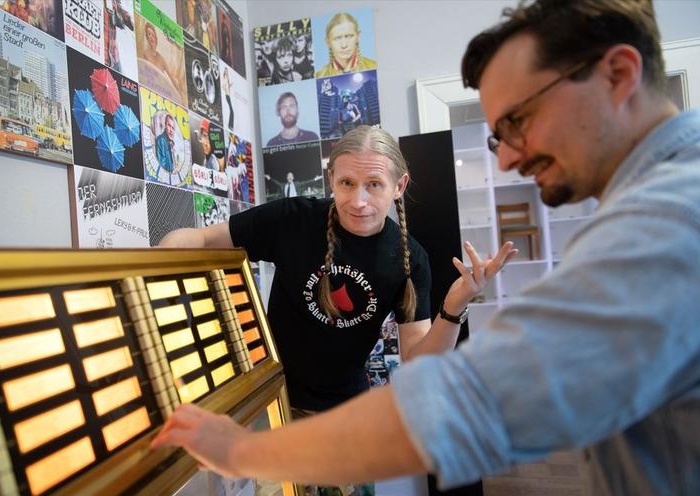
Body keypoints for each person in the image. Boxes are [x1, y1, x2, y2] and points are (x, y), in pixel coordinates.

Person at [152, 1, 700, 494]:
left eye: (519, 120)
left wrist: (238, 452)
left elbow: (467, 404)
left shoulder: (668, 219)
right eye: (346, 184)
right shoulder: (662, 199)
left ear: (620, 75)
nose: (506, 159)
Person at [157, 125, 515, 494]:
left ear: (399, 186)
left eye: (374, 184)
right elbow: (200, 240)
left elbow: (419, 361)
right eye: (346, 183)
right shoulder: (292, 219)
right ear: (331, 179)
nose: (358, 201)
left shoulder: (409, 259)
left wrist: (454, 307)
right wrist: (143, 272)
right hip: (271, 404)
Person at [315, 12, 377, 78]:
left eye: (349, 36)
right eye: (337, 38)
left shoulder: (374, 66)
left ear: (358, 36)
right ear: (328, 42)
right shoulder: (319, 76)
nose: (344, 45)